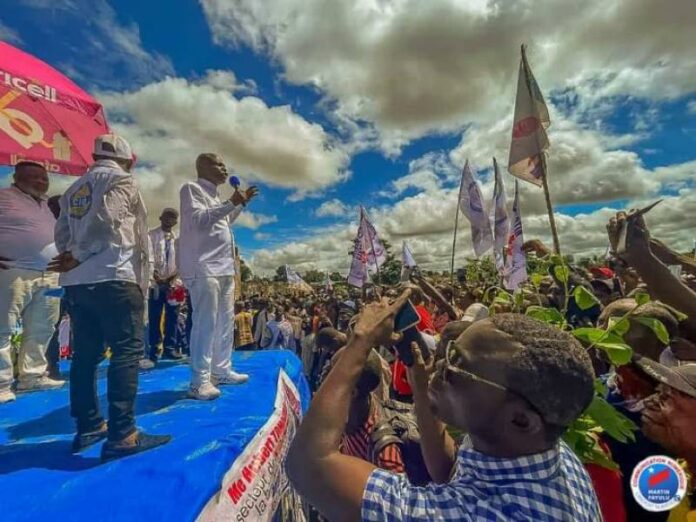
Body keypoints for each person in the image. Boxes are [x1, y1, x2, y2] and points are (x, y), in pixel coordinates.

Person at [286, 290, 601, 521]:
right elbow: (448, 469)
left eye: (457, 366)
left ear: (521, 419)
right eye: (447, 352)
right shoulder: (549, 457)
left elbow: (308, 466)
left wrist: (361, 341)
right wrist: (420, 381)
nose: (439, 368)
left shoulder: (483, 514)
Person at [51, 134, 170, 461]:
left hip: (78, 283)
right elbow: (106, 220)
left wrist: (71, 255)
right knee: (126, 353)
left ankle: (88, 425)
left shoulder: (76, 188)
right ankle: (123, 434)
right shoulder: (123, 181)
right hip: (115, 276)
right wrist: (80, 252)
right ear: (127, 159)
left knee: (85, 356)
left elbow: (61, 233)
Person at [178, 153, 258, 400]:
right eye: (218, 164)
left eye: (225, 164)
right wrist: (230, 202)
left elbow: (222, 221)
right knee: (206, 323)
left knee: (225, 321)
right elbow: (199, 220)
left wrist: (239, 204)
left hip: (224, 267)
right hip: (204, 267)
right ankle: (199, 381)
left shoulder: (215, 196)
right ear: (203, 166)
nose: (225, 168)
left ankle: (221, 370)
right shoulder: (191, 189)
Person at [0, 161, 63, 403]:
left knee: (43, 327)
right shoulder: (4, 196)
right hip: (14, 271)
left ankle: (32, 375)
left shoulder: (47, 205)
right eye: (34, 177)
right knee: (3, 328)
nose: (41, 182)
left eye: (44, 177)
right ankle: (2, 384)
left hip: (49, 275)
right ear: (16, 177)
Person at [147, 207, 182, 363]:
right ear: (161, 217)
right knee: (154, 317)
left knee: (173, 317)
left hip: (176, 284)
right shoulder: (151, 235)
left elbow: (183, 261)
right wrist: (157, 277)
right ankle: (154, 349)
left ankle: (170, 348)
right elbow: (148, 257)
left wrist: (171, 278)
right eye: (167, 216)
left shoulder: (179, 238)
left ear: (176, 221)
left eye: (173, 218)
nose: (170, 220)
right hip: (155, 283)